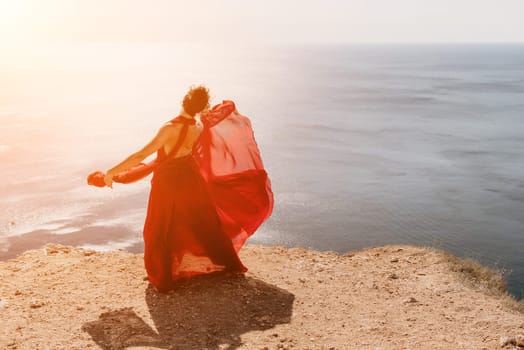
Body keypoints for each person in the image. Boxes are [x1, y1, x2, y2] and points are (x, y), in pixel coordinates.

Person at [87, 85, 273, 293]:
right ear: (201, 107)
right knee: (202, 223)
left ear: (183, 101)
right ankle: (228, 264)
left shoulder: (169, 128)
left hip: (168, 182)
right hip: (191, 178)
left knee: (159, 227)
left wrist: (111, 172)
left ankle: (163, 278)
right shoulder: (198, 126)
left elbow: (140, 156)